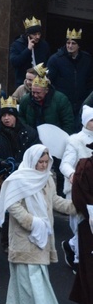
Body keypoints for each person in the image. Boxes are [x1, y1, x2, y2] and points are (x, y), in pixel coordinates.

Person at [0, 145, 76, 304]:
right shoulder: (19, 179)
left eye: (46, 162)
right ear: (32, 160)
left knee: (25, 272)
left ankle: (15, 303)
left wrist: (74, 206)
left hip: (42, 233)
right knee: (33, 272)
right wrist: (31, 222)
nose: (43, 165)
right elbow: (13, 204)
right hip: (25, 233)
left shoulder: (47, 179)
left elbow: (54, 200)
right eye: (40, 161)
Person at [60, 106, 93, 273]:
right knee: (80, 228)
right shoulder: (75, 140)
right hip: (77, 191)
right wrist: (73, 174)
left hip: (92, 192)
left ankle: (70, 245)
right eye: (92, 120)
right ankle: (80, 265)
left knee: (89, 228)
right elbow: (65, 164)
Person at [0, 96, 39, 177]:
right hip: (1, 175)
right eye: (3, 115)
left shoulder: (30, 133)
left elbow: (37, 152)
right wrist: (1, 162)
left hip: (25, 173)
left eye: (10, 115)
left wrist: (22, 164)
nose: (6, 118)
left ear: (15, 116)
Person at [47, 28, 93, 118]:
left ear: (79, 45)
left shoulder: (87, 59)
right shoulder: (55, 59)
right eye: (68, 43)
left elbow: (90, 81)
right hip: (62, 103)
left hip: (81, 103)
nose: (70, 46)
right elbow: (49, 82)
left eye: (73, 43)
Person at [18, 67, 75, 134]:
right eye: (33, 92)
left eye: (38, 93)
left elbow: (68, 123)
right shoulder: (25, 100)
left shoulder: (61, 100)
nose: (35, 95)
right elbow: (21, 119)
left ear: (46, 90)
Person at [71, 157, 93, 304]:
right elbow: (80, 197)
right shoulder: (85, 167)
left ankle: (85, 303)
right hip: (89, 223)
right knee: (89, 264)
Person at [9, 16, 51, 87]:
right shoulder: (17, 44)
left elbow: (48, 62)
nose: (38, 37)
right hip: (23, 83)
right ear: (28, 35)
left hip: (40, 83)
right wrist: (28, 50)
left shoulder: (44, 45)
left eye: (39, 34)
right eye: (34, 34)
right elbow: (15, 62)